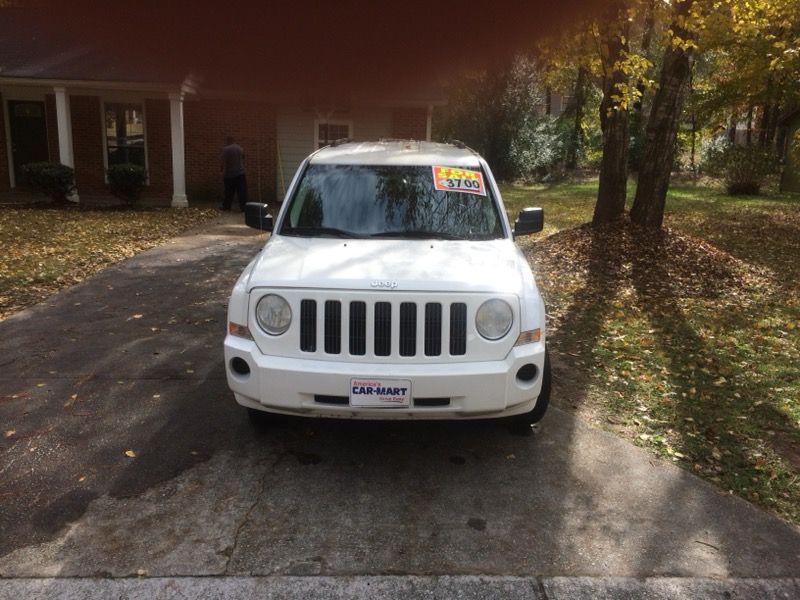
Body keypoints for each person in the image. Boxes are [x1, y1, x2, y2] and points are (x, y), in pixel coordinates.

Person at [221, 136, 248, 211]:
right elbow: (243, 157)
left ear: (228, 141)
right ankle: (243, 207)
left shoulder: (226, 149)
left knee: (228, 192)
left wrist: (221, 171)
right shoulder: (240, 148)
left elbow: (223, 161)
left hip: (230, 174)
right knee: (242, 192)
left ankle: (227, 206)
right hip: (241, 173)